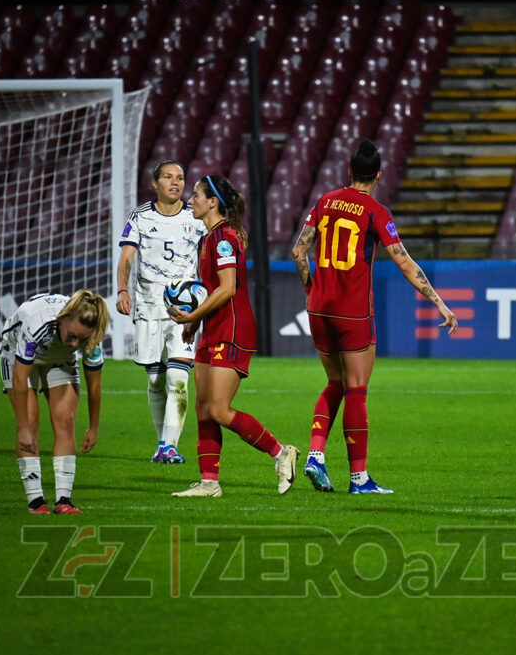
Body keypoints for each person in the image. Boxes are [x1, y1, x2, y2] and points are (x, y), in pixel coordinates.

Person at [291, 139, 458, 495]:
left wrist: (310, 289)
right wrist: (440, 303)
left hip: (318, 307)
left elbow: (298, 250)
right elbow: (404, 262)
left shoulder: (324, 201)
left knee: (335, 383)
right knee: (356, 390)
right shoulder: (375, 212)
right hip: (353, 313)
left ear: (349, 171)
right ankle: (359, 479)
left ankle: (316, 455)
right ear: (379, 175)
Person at [169, 175, 299, 497]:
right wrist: (194, 323)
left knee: (219, 409)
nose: (190, 199)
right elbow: (208, 292)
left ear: (213, 202)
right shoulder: (206, 240)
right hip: (212, 328)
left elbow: (228, 288)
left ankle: (282, 453)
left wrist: (194, 315)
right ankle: (209, 483)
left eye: (196, 194)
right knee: (201, 408)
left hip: (233, 328)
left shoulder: (224, 238)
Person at [116, 159, 205, 464]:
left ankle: (170, 446)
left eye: (180, 177)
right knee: (156, 379)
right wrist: (123, 290)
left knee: (178, 378)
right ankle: (161, 442)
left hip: (186, 312)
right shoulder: (140, 217)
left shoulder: (197, 218)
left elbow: (207, 258)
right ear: (155, 183)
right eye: (168, 177)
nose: (175, 182)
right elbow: (127, 256)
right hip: (149, 308)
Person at [1, 291, 109, 514]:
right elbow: (21, 377)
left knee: (65, 421)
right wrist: (22, 428)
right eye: (72, 336)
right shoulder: (37, 322)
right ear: (63, 319)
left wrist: (94, 427)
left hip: (59, 360)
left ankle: (64, 501)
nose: (74, 343)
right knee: (29, 422)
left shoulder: (92, 339)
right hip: (16, 354)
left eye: (80, 339)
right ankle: (36, 502)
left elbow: (95, 386)